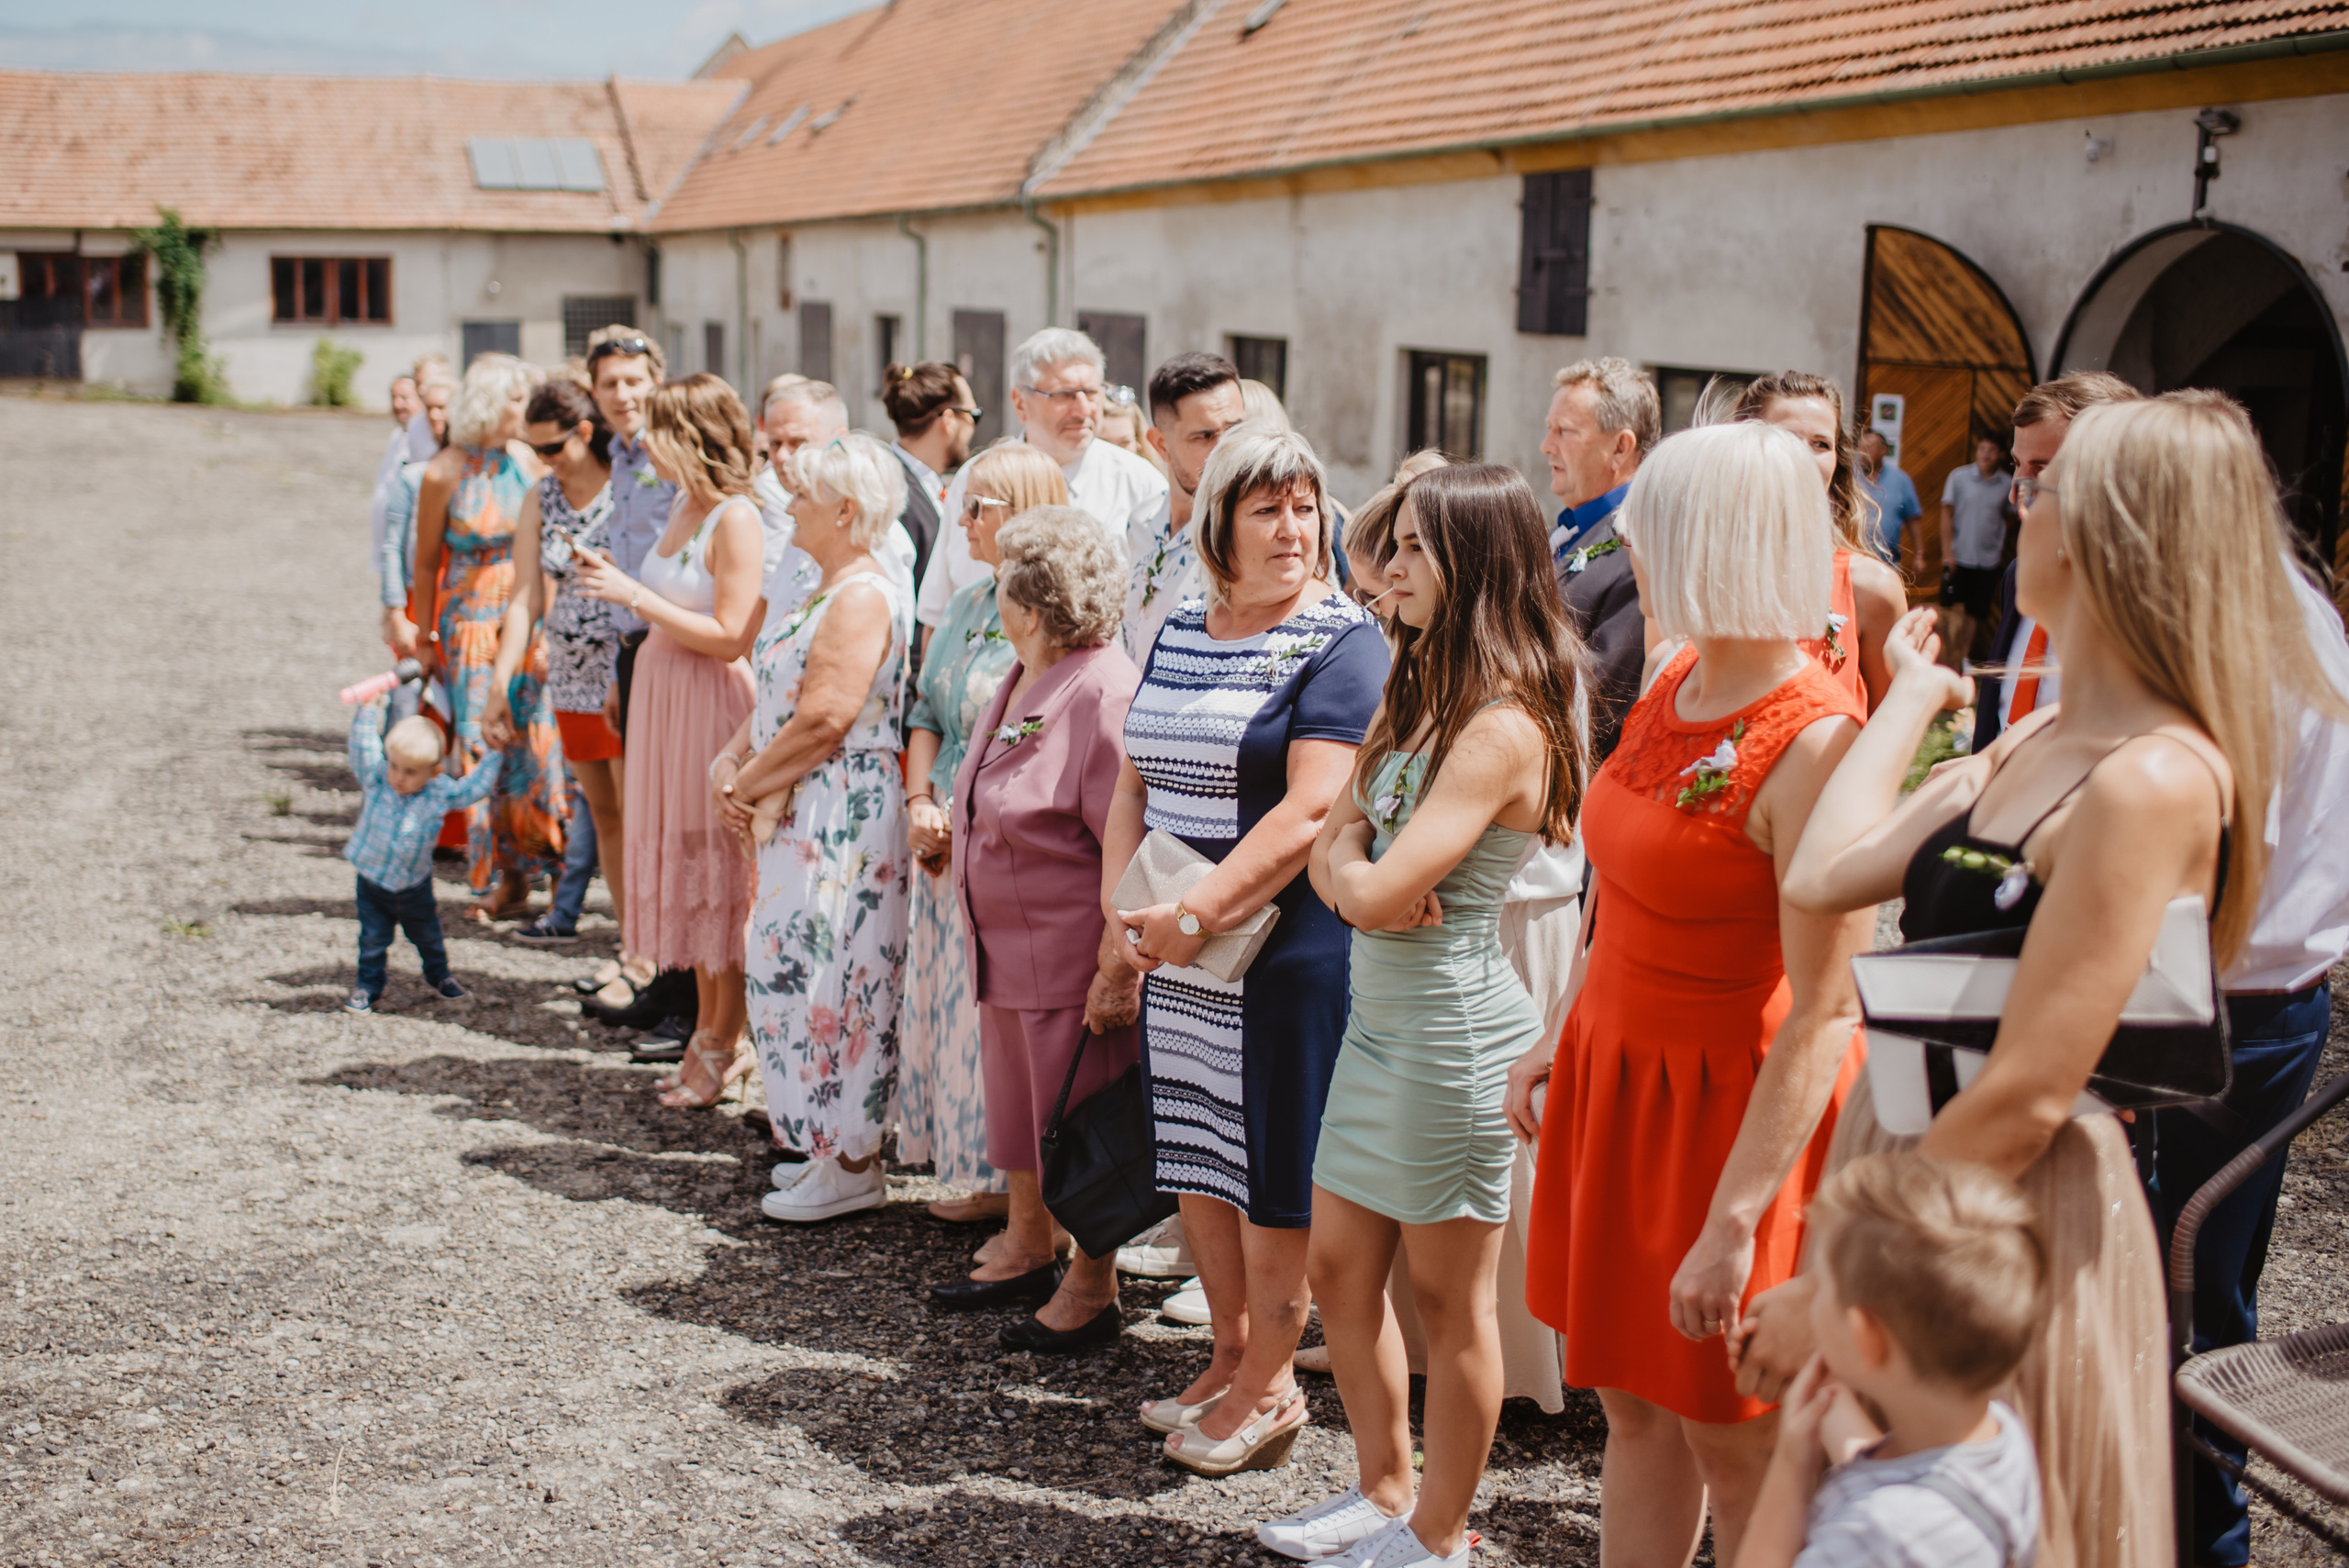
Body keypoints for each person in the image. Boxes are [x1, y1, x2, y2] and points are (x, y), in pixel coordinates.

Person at [1773, 393, 2345, 1568]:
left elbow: (2032, 1090)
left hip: (1998, 1201)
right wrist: (1911, 698)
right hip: (1914, 1163)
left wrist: (1834, 1262)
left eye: (2041, 492)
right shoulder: (2037, 736)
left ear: (2095, 537)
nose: (2015, 510)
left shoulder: (2155, 778)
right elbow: (1822, 872)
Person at [1510, 419, 1870, 1568]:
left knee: (1735, 1430)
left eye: (1649, 531)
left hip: (1729, 1111)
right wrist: (1562, 1027)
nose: (1632, 554)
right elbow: (1614, 885)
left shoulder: (1818, 741)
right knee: (1632, 1403)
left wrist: (1733, 1223)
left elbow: (1827, 1005)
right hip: (1619, 1075)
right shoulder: (1672, 673)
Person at [1286, 464, 1587, 1567]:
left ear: (1473, 561)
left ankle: (1440, 1531)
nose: (1390, 568)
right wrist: (1357, 871)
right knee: (1336, 1269)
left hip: (1454, 1036)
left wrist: (1358, 869)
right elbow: (1332, 855)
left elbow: (1358, 873)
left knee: (1450, 1304)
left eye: (1415, 547)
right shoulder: (1411, 684)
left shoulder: (1504, 724)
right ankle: (1381, 1487)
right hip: (1379, 1025)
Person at [1107, 425, 1388, 1474]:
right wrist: (1123, 910)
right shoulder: (1183, 622)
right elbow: (1133, 774)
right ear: (1218, 523)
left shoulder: (1341, 640)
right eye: (1266, 508)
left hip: (1278, 948)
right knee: (1196, 1148)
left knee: (1270, 1164)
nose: (1291, 528)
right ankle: (1228, 1353)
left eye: (1304, 507)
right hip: (1177, 945)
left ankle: (1271, 1381)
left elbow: (1312, 807)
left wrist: (1196, 916)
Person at [2150, 395, 2349, 1568]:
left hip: (2222, 1003)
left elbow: (2220, 854)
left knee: (2178, 1298)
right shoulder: (2283, 603)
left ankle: (2193, 1542)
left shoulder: (2244, 628)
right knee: (2200, 1288)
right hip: (2255, 994)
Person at [933, 506, 1145, 1351]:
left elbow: (1126, 839)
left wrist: (1114, 964)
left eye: (1002, 583)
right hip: (1006, 948)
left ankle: (1093, 1284)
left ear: (1031, 602)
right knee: (1021, 1112)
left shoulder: (1102, 689)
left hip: (1065, 957)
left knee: (1078, 1125)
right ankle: (1028, 1241)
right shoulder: (1030, 671)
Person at [721, 432, 913, 1220]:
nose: (790, 504)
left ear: (844, 509)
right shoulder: (818, 585)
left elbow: (826, 717)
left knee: (840, 969)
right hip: (805, 802)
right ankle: (825, 1146)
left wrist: (747, 784)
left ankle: (854, 1157)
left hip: (839, 807)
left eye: (803, 494)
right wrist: (738, 760)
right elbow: (780, 696)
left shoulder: (861, 595)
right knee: (796, 968)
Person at [574, 373, 767, 1110]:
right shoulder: (683, 503)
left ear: (691, 435)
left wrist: (634, 595)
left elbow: (732, 634)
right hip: (662, 695)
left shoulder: (736, 518)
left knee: (717, 874)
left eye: (657, 428)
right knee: (690, 869)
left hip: (707, 701)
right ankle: (707, 1032)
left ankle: (725, 1040)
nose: (643, 441)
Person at [901, 444, 1072, 1226]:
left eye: (978, 506)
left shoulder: (1053, 619)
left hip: (1001, 844)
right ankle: (979, 1167)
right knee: (954, 1011)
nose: (962, 520)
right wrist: (918, 800)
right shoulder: (971, 603)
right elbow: (926, 710)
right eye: (961, 504)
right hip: (940, 831)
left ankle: (1023, 1196)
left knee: (997, 1023)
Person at [1736, 1155, 2048, 1568]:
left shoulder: (1875, 1538)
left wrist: (1790, 1464)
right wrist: (1823, 1398)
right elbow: (1896, 1474)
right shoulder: (2000, 1438)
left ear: (1865, 1336)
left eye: (1821, 1285)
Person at [406, 351, 566, 919]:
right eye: (517, 399)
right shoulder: (443, 471)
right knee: (482, 745)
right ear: (491, 404)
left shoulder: (529, 462)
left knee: (539, 744)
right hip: (470, 622)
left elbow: (553, 550)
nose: (526, 408)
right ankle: (503, 877)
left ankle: (558, 876)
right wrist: (424, 635)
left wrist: (549, 626)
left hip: (528, 611)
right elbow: (426, 560)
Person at [484, 378, 623, 948]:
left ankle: (648, 952)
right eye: (535, 450)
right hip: (568, 676)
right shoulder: (542, 497)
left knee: (635, 814)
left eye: (552, 448)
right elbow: (524, 597)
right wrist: (500, 681)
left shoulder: (627, 486)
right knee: (604, 813)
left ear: (584, 432)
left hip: (621, 671)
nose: (545, 460)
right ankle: (632, 944)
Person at [917, 328, 1169, 635]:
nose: (1083, 409)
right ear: (1020, 402)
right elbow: (937, 615)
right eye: (1063, 395)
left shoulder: (1141, 484)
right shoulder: (973, 480)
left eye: (1091, 393)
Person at [580, 327, 673, 1015]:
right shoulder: (618, 454)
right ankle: (644, 954)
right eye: (610, 383)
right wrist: (619, 667)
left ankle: (654, 965)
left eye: (634, 381)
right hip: (632, 646)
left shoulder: (669, 452)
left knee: (663, 816)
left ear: (656, 382)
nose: (623, 394)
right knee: (637, 812)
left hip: (673, 642)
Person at [1974, 374, 2138, 751]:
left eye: (2042, 469)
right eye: (2017, 464)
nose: (2016, 491)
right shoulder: (2020, 575)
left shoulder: (2141, 606)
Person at [1733, 372, 1907, 712]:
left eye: (1820, 444)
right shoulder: (1702, 574)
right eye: (1785, 439)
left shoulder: (1873, 591)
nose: (1803, 457)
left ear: (1837, 462)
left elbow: (1893, 727)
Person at [341, 703, 501, 1014]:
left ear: (434, 771)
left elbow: (475, 788)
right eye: (395, 766)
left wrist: (496, 753)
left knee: (428, 937)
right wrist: (367, 712)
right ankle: (368, 986)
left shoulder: (439, 792)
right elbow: (362, 750)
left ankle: (440, 976)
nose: (399, 777)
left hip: (414, 887)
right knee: (372, 939)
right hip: (372, 883)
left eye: (411, 771)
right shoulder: (378, 780)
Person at [1541, 357, 1657, 764]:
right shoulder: (1570, 529)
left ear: (1621, 447)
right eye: (1549, 428)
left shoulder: (1638, 544)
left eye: (1565, 431)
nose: (1547, 445)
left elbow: (1597, 695)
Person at [1124, 353, 1247, 664]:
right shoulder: (1140, 522)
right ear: (1161, 444)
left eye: (1235, 429)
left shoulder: (1257, 532)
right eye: (1204, 436)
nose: (1225, 448)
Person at [755, 377, 920, 607]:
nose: (782, 456)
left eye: (798, 442)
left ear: (841, 439)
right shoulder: (801, 522)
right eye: (775, 444)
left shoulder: (872, 534)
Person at [881, 361, 981, 605]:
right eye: (973, 415)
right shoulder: (891, 491)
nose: (973, 427)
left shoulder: (914, 481)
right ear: (948, 420)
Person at [379, 374, 452, 673]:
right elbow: (392, 548)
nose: (436, 415)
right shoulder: (413, 477)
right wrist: (395, 613)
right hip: (418, 598)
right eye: (430, 408)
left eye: (443, 407)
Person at [1940, 437, 2015, 661]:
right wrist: (1947, 553)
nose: (1985, 454)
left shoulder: (2007, 484)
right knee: (1953, 607)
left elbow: (2010, 516)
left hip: (1988, 559)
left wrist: (1995, 538)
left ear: (2001, 454)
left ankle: (1963, 658)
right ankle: (1948, 657)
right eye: (1982, 449)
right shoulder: (1958, 477)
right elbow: (1946, 514)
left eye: (1991, 450)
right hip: (1959, 555)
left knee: (1976, 611)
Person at [1853, 429, 1919, 569]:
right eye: (1860, 448)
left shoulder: (1900, 480)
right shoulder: (1849, 476)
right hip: (1852, 560)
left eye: (1868, 448)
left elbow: (1913, 518)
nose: (1863, 453)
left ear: (1883, 450)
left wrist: (1920, 554)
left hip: (1887, 562)